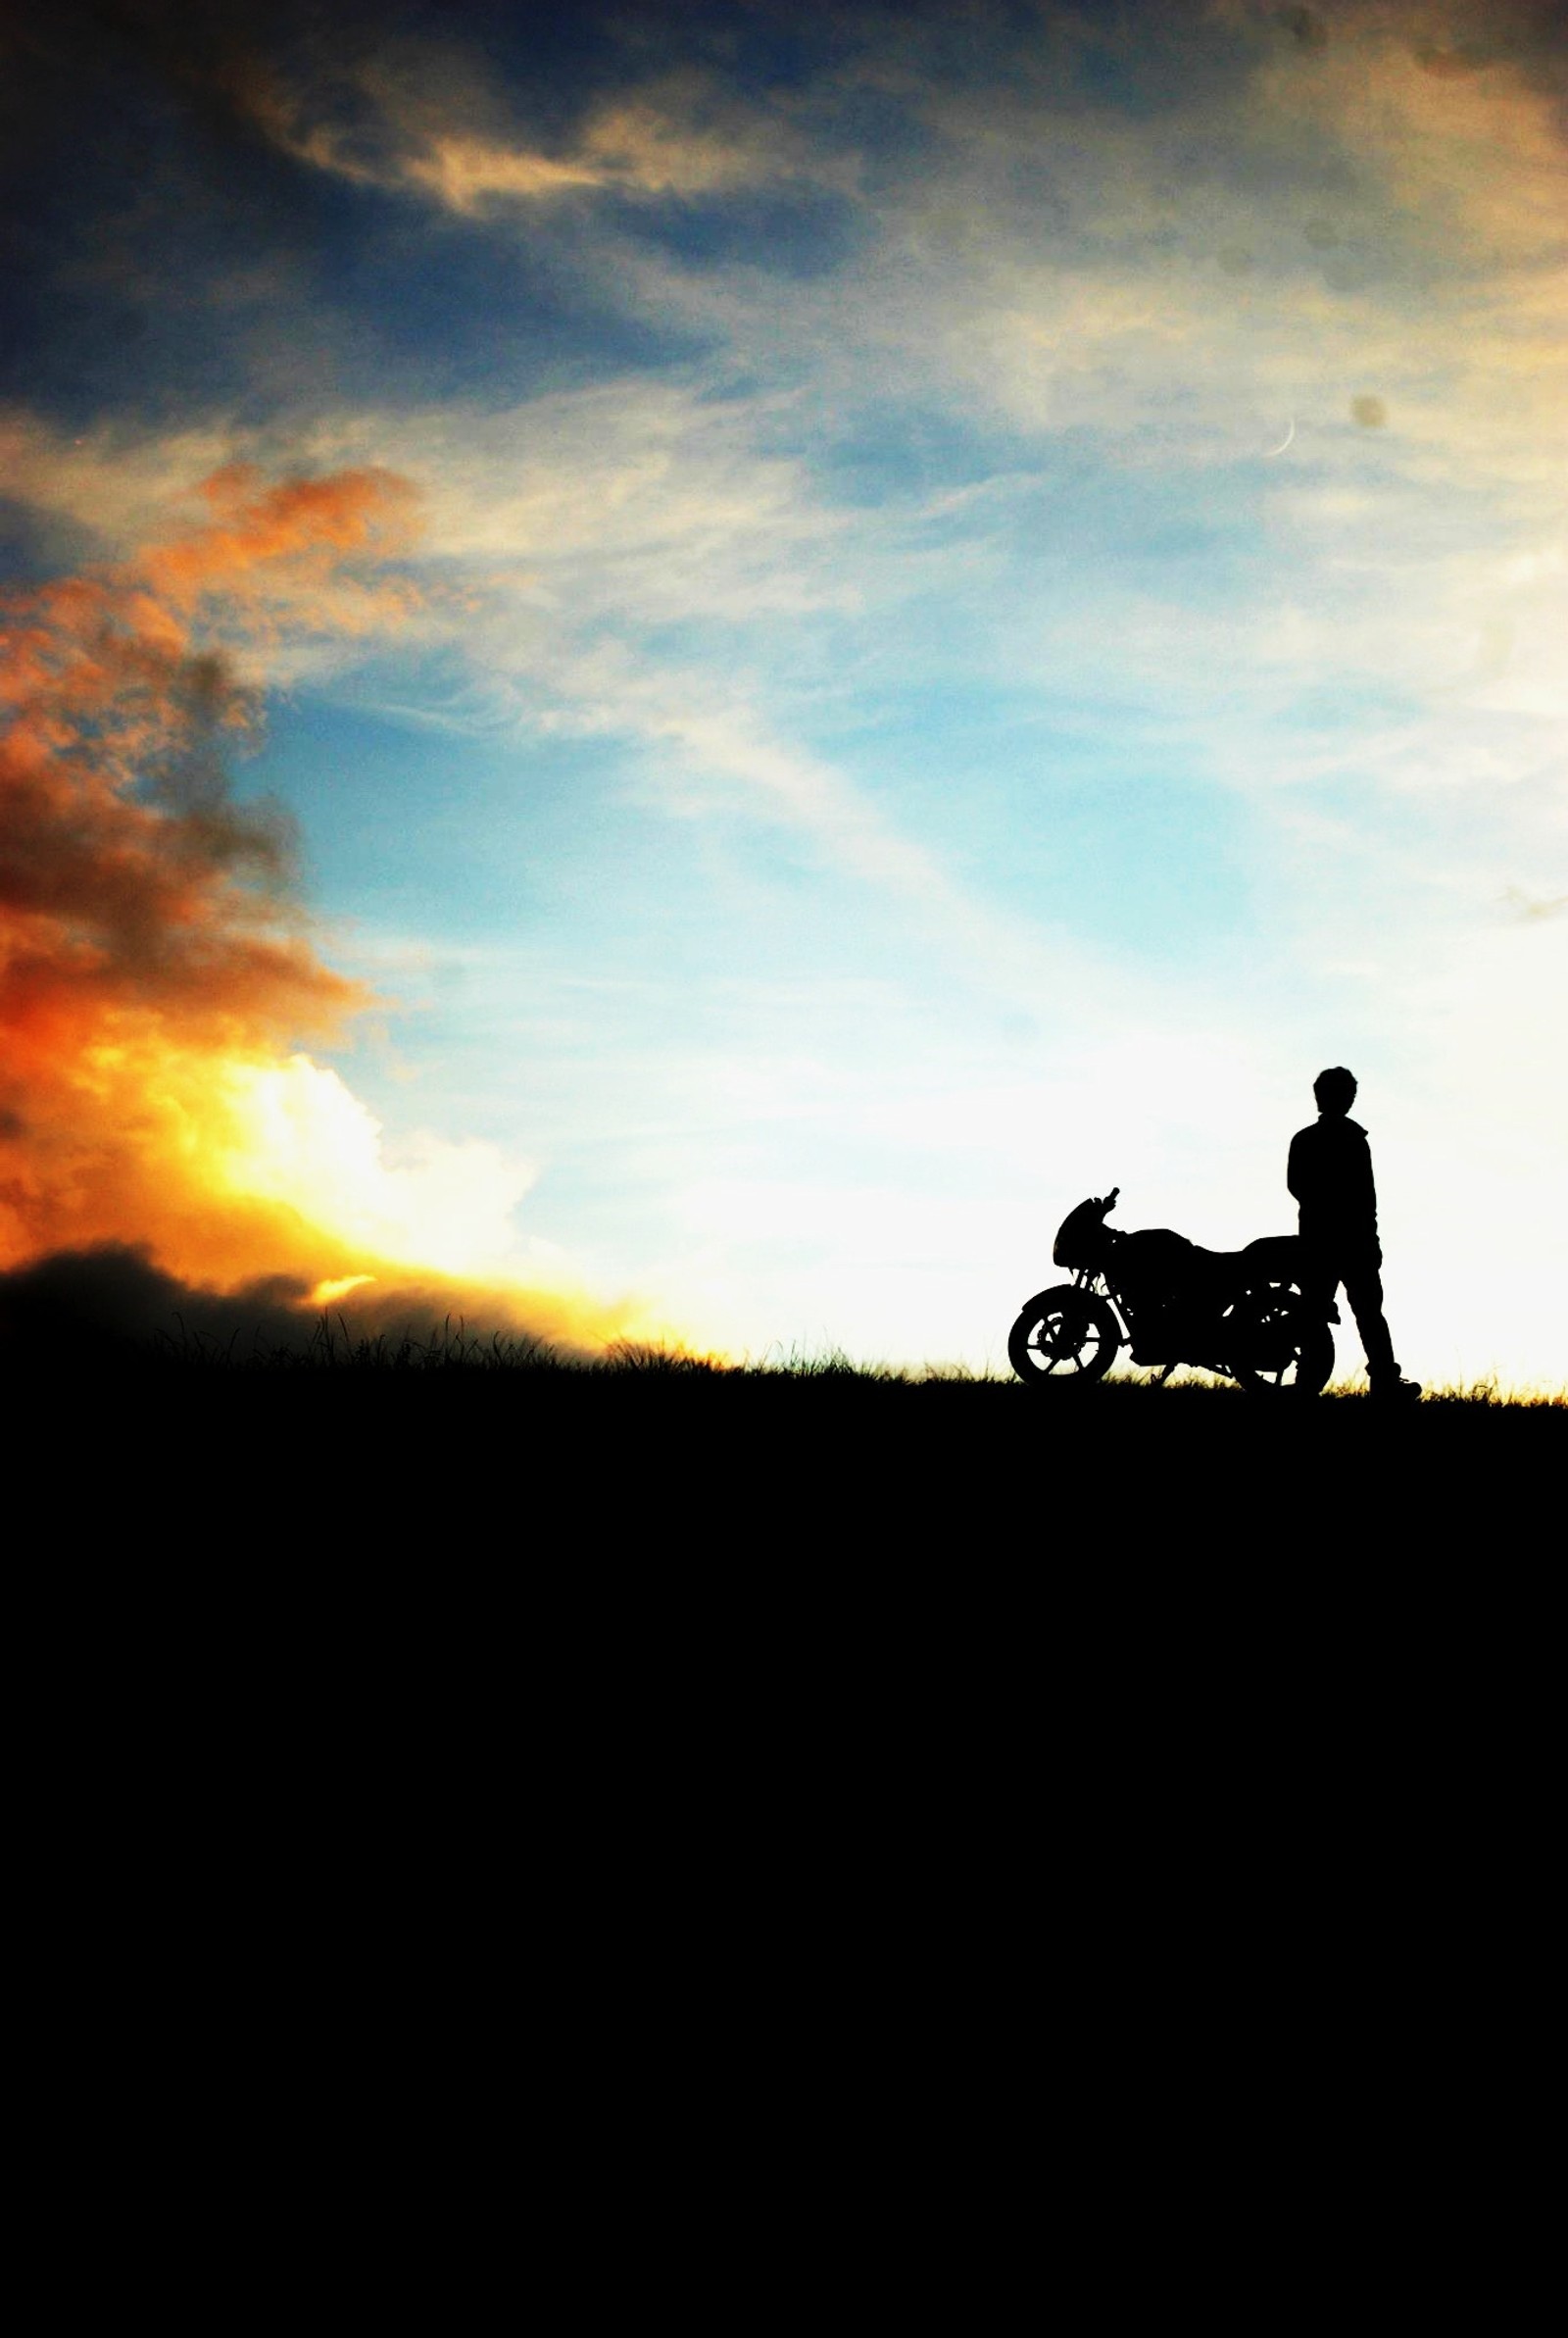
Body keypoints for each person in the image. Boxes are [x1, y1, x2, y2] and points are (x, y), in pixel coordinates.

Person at [1288, 1069, 1420, 1401]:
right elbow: (1364, 1195)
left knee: (1322, 1312)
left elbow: (1300, 1187)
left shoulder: (1309, 1139)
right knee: (1359, 1313)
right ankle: (1381, 1382)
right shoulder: (1350, 1139)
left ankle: (1311, 1382)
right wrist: (1368, 1235)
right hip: (1345, 1240)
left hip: (1326, 1239)